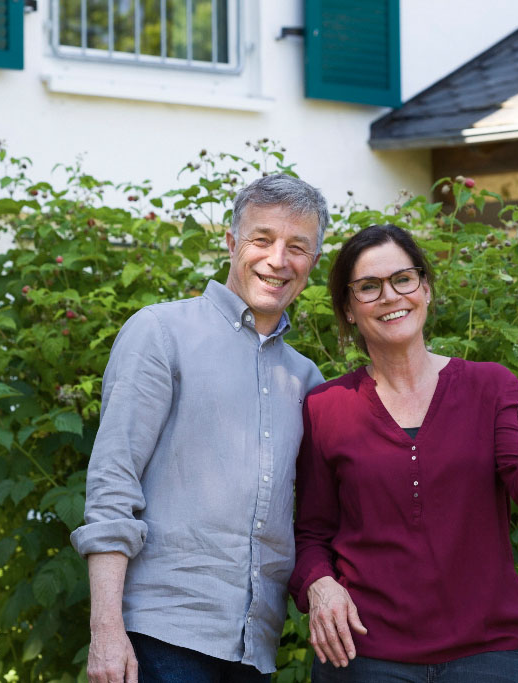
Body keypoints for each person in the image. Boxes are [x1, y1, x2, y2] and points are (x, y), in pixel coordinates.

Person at [288, 224, 518, 682]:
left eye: (402, 279)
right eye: (368, 287)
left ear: (424, 287)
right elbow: (311, 534)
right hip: (365, 656)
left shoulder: (492, 387)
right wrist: (320, 585)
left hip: (488, 654)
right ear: (348, 308)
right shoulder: (326, 407)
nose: (390, 296)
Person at [70, 174, 329, 683]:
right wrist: (106, 631)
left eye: (297, 247)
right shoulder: (161, 333)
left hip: (255, 647)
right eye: (262, 240)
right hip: (161, 636)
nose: (278, 260)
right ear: (232, 243)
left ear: (312, 263)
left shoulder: (305, 379)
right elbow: (112, 485)